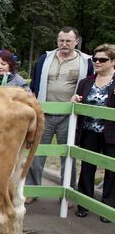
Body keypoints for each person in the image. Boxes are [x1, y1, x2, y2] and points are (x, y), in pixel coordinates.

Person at [26, 26, 94, 203]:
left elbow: (90, 85)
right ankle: (32, 190)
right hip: (44, 113)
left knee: (68, 155)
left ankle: (68, 193)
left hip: (69, 116)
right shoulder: (45, 58)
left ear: (76, 41)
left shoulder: (86, 62)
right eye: (61, 40)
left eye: (68, 41)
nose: (64, 44)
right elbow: (34, 83)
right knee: (37, 153)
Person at [71, 44, 115, 222]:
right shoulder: (86, 82)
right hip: (89, 131)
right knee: (87, 168)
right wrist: (75, 99)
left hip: (111, 134)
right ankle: (84, 203)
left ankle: (107, 207)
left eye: (102, 59)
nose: (97, 62)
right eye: (94, 59)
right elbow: (79, 100)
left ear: (113, 62)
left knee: (111, 171)